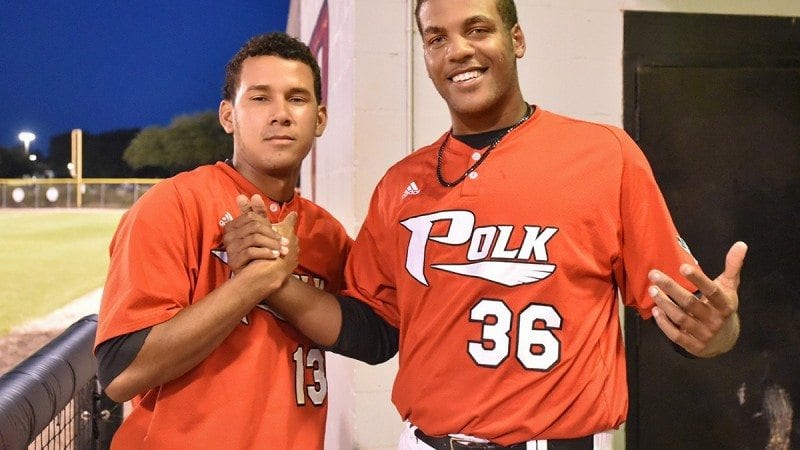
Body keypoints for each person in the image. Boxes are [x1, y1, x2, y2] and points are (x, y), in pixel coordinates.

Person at [224, 1, 748, 449]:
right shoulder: (399, 186)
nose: (458, 50)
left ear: (516, 39)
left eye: (477, 28)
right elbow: (376, 332)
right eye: (436, 38)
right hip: (422, 440)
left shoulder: (603, 156)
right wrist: (274, 285)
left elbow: (687, 315)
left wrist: (719, 331)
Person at [93, 32, 375, 449]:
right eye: (260, 98)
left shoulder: (324, 233)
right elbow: (120, 373)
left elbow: (376, 338)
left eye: (297, 98)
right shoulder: (174, 205)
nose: (280, 114)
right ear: (228, 116)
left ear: (319, 118)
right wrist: (253, 281)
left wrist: (281, 283)